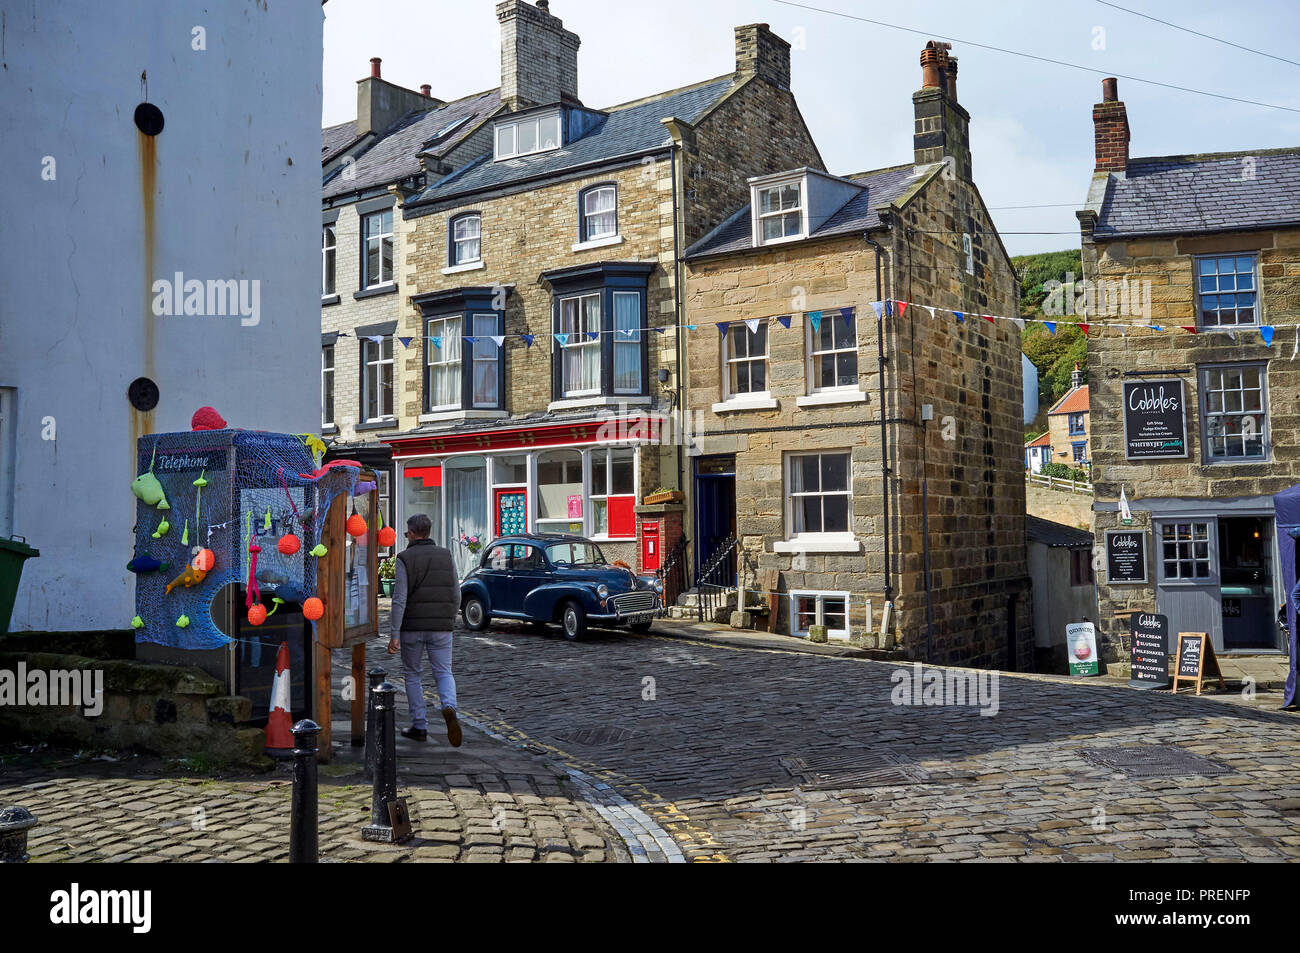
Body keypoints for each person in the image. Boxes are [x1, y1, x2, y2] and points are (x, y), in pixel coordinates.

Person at [387, 514, 462, 746]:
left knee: (412, 674)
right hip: (441, 626)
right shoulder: (446, 554)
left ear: (411, 533)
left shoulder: (404, 558)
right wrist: (450, 618)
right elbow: (456, 592)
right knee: (443, 671)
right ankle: (448, 706)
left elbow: (399, 599)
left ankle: (419, 725)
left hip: (412, 627)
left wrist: (394, 633)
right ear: (429, 532)